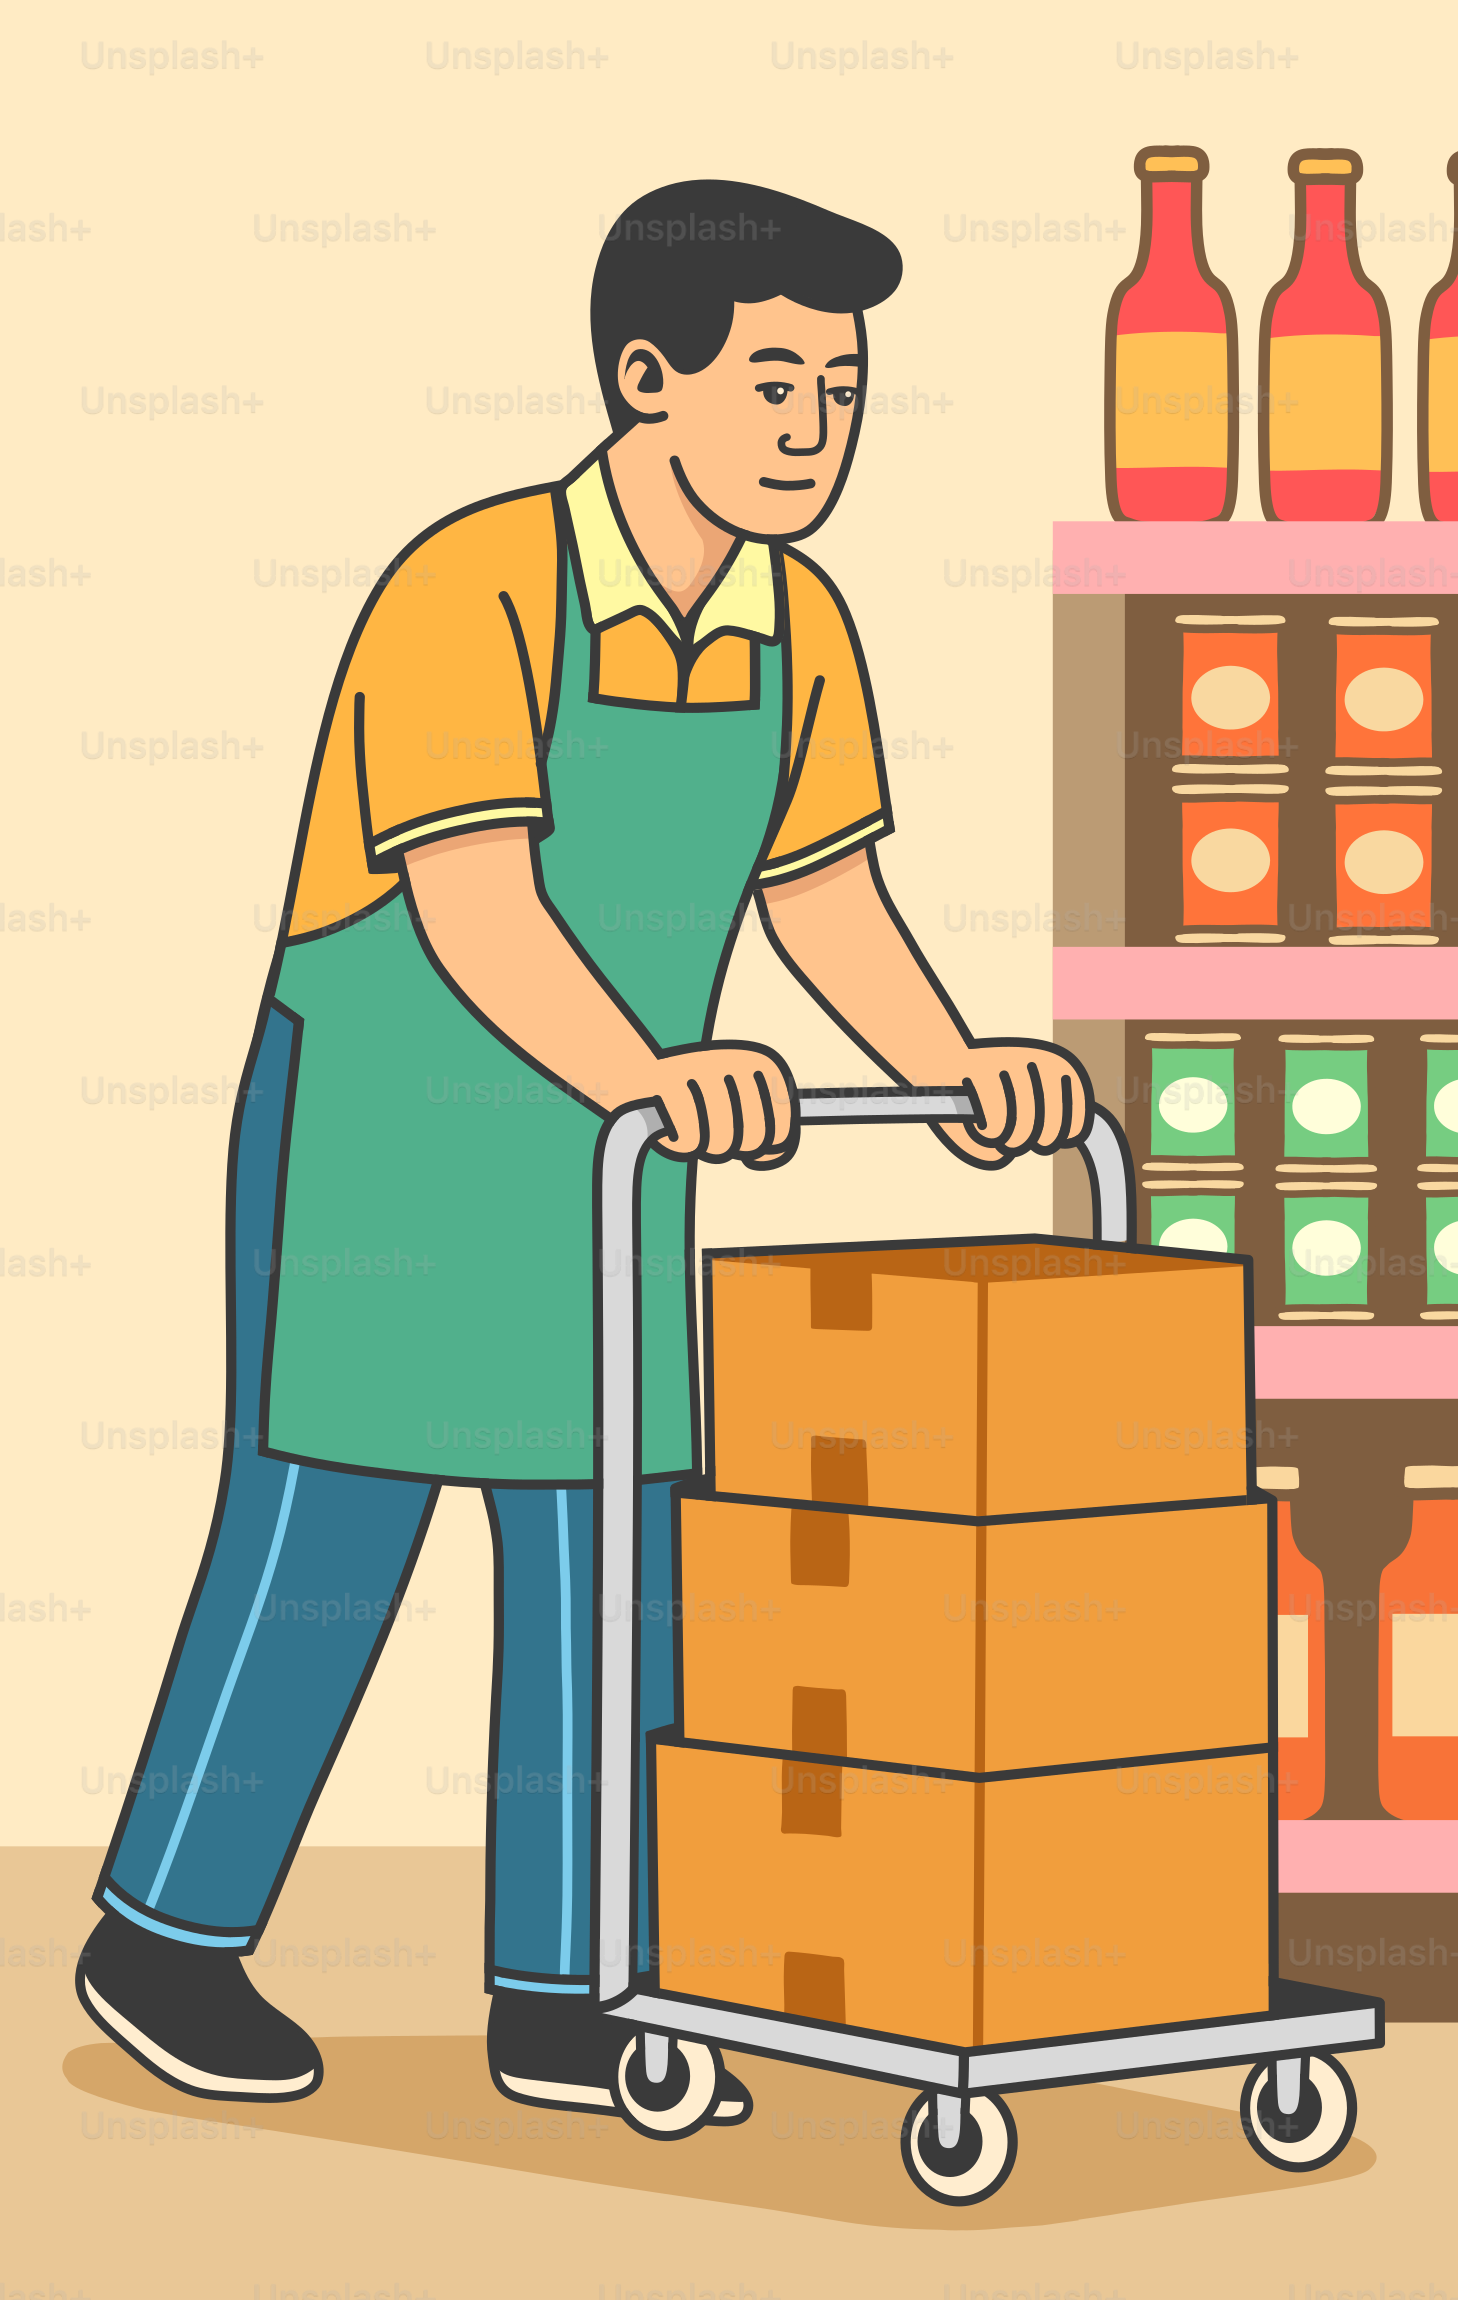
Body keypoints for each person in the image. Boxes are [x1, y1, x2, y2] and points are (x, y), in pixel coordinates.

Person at [80, 182, 1092, 2122]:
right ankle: (166, 1938)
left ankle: (576, 1988)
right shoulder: (475, 587)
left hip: (621, 1150)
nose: (816, 428)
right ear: (645, 379)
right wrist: (656, 1071)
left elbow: (823, 894)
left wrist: (957, 1067)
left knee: (614, 1555)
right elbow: (470, 897)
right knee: (323, 1526)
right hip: (387, 1131)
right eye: (774, 383)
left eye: (843, 391)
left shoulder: (800, 627)